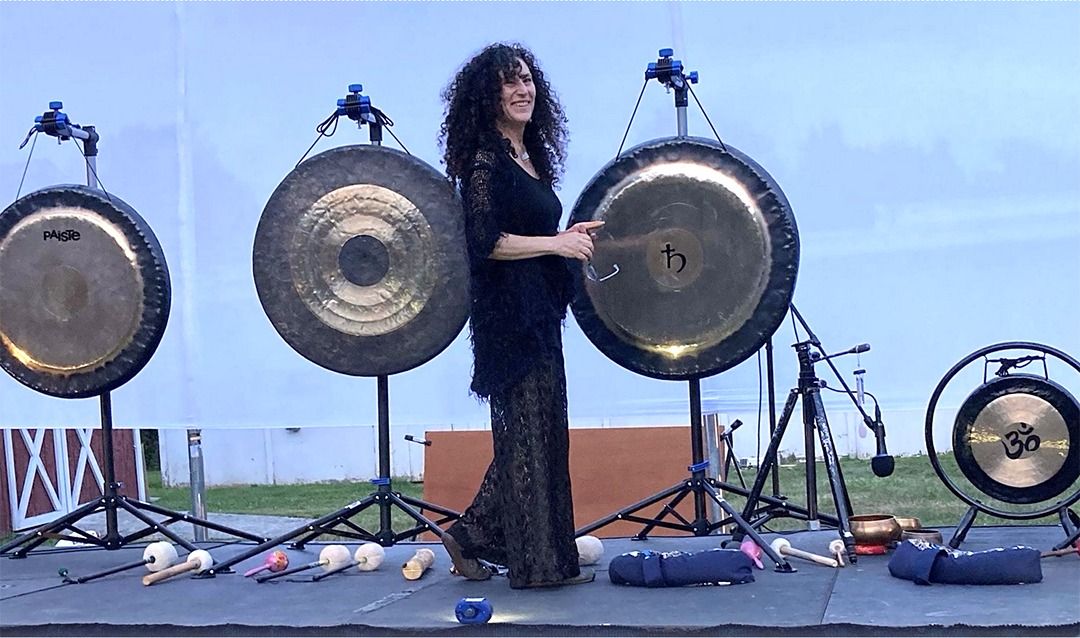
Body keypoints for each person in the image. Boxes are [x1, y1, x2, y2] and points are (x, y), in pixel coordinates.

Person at [437, 42, 602, 589]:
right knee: (527, 436)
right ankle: (532, 564)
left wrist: (567, 239)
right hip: (507, 317)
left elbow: (536, 235)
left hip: (538, 312)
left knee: (542, 433)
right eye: (509, 82)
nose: (522, 90)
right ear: (488, 97)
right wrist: (554, 244)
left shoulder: (528, 156)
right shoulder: (486, 161)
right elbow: (484, 242)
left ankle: (477, 536)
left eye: (527, 79)